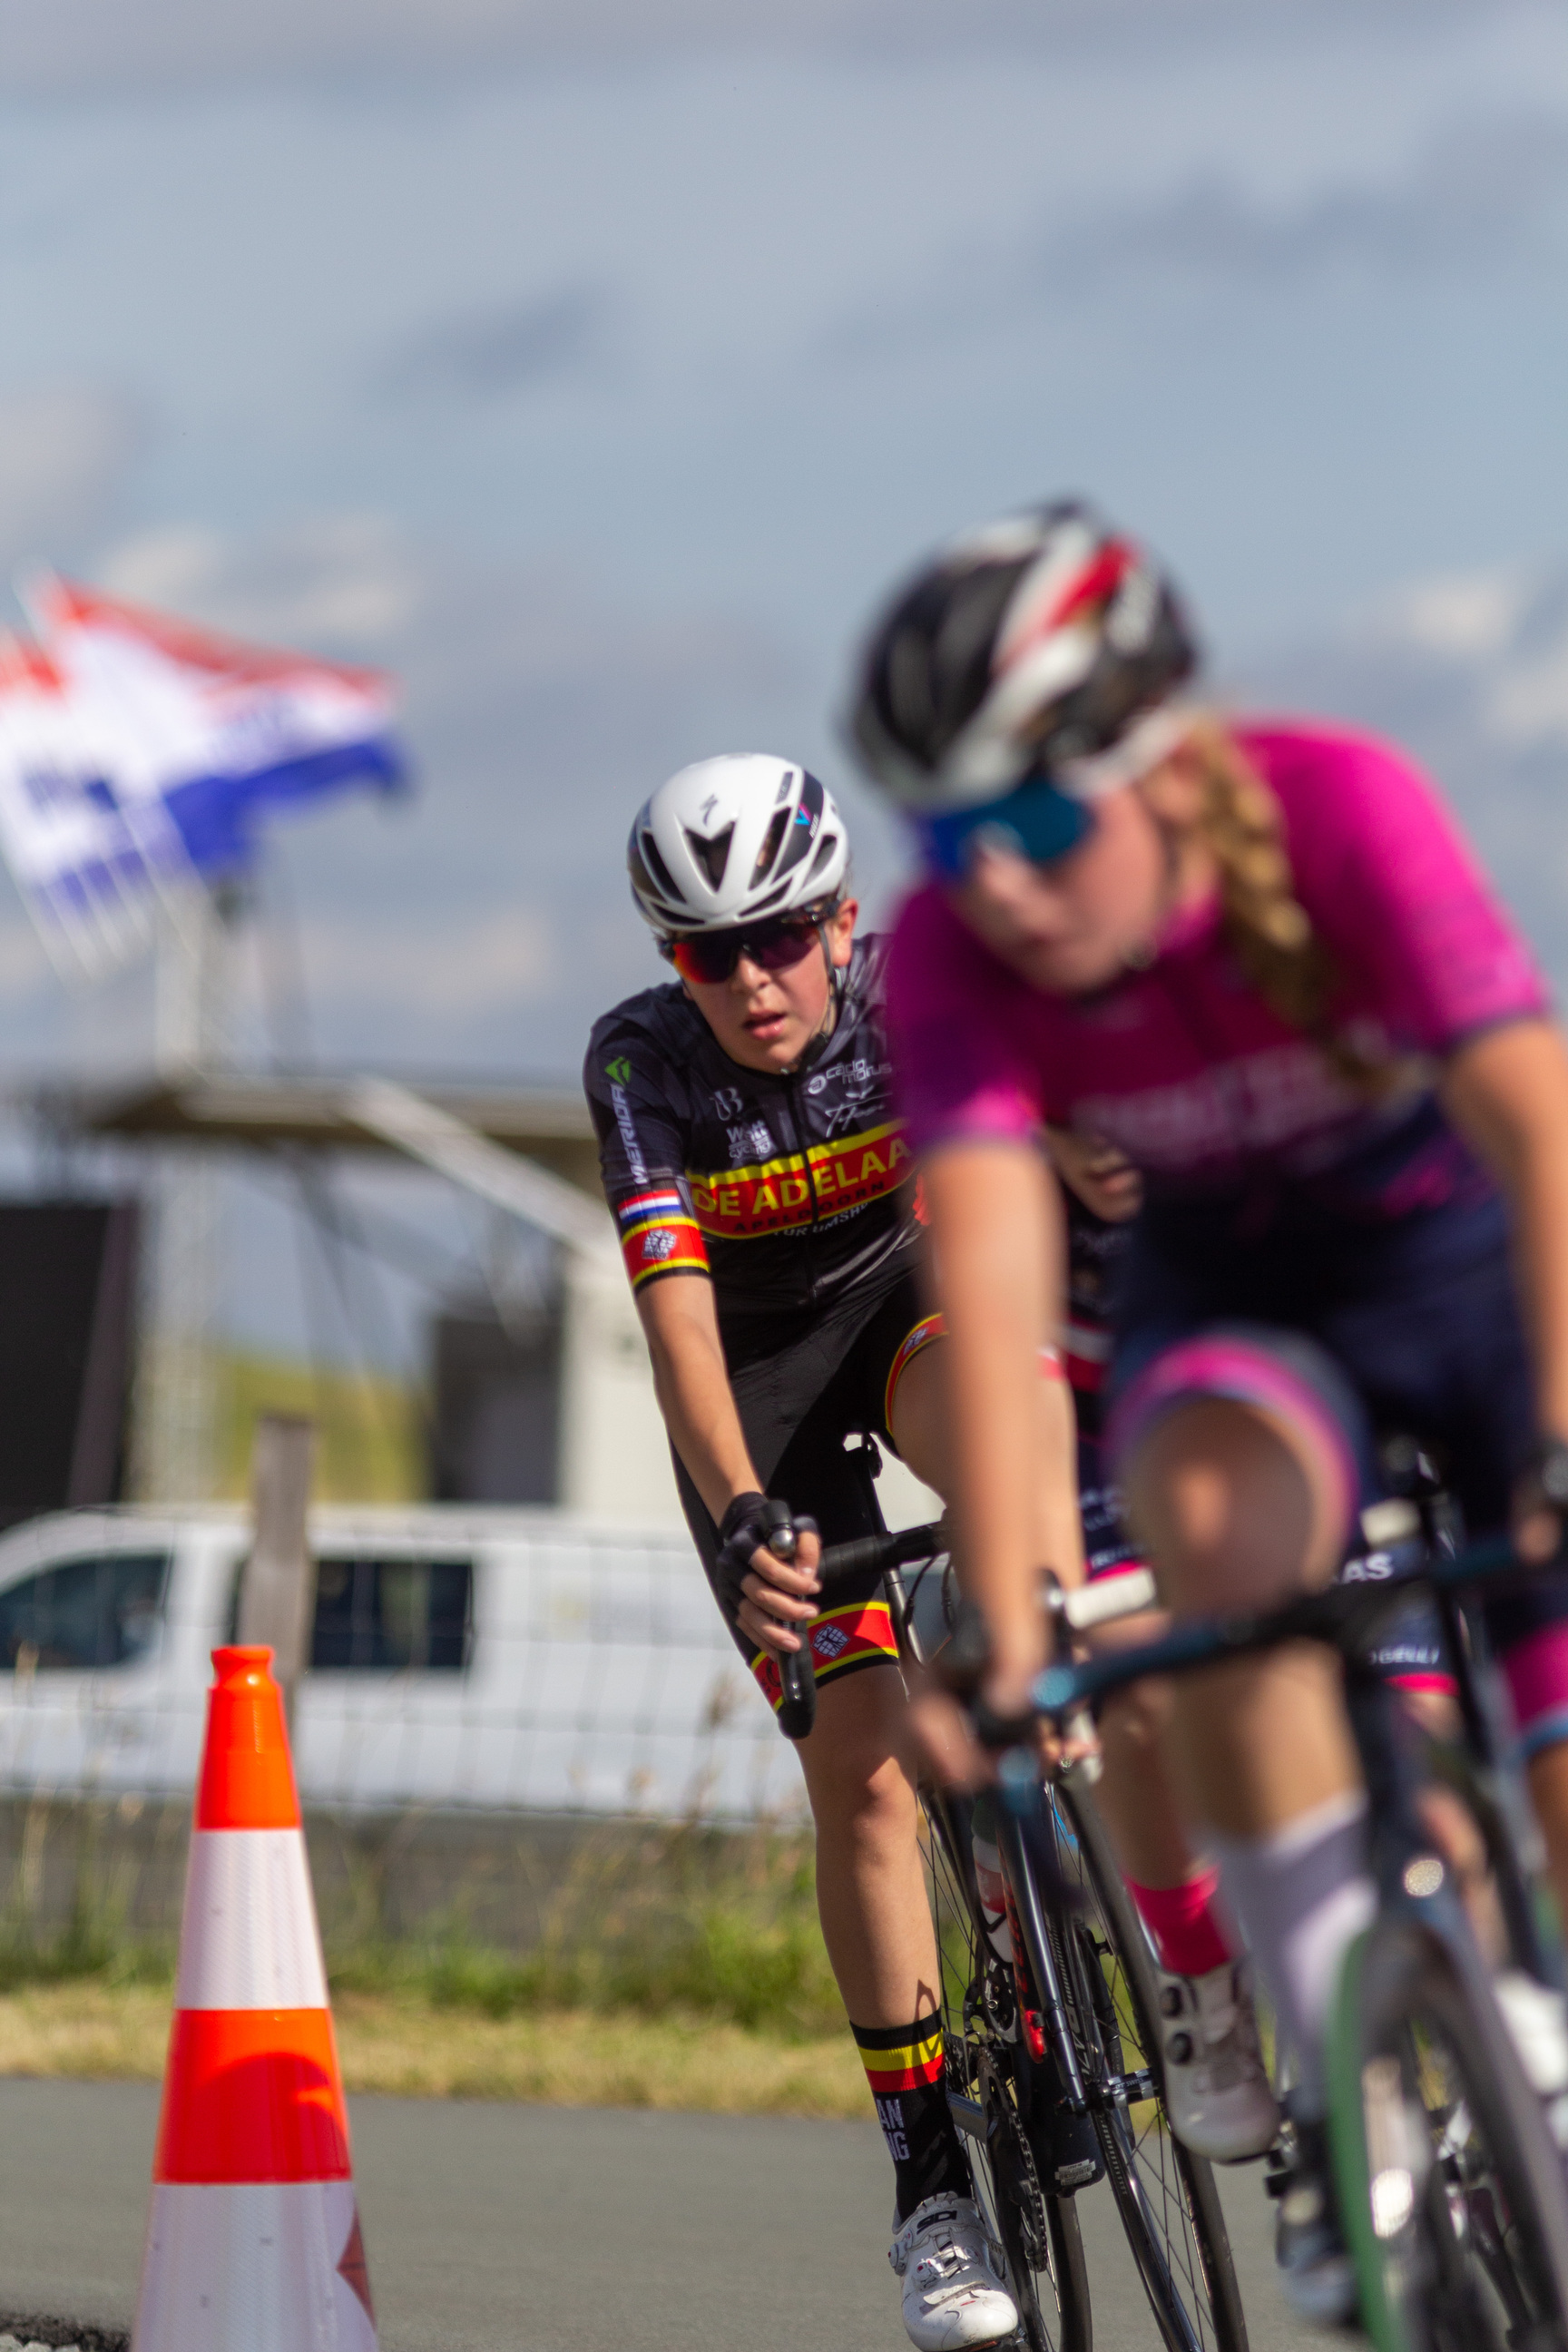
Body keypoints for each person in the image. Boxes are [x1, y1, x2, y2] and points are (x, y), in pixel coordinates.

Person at [846, 501, 1568, 2322]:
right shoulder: (950, 957)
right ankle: (1344, 2091)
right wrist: (1010, 1636)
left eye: (1029, 817)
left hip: (1453, 1275)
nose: (991, 879)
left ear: (1159, 760)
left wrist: (1556, 1437)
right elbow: (996, 1300)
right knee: (1211, 1555)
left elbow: (1540, 1128)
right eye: (947, 831)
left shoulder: (1340, 812)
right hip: (1233, 1306)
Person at [583, 751, 1083, 2349]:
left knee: (1003, 1440)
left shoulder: (905, 1000)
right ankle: (929, 2180)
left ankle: (1061, 1829)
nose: (750, 978)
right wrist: (739, 1512)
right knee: (860, 1771)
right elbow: (675, 1328)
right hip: (757, 1390)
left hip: (899, 1307)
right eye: (706, 951)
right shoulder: (641, 1064)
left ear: (841, 921)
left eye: (780, 935)